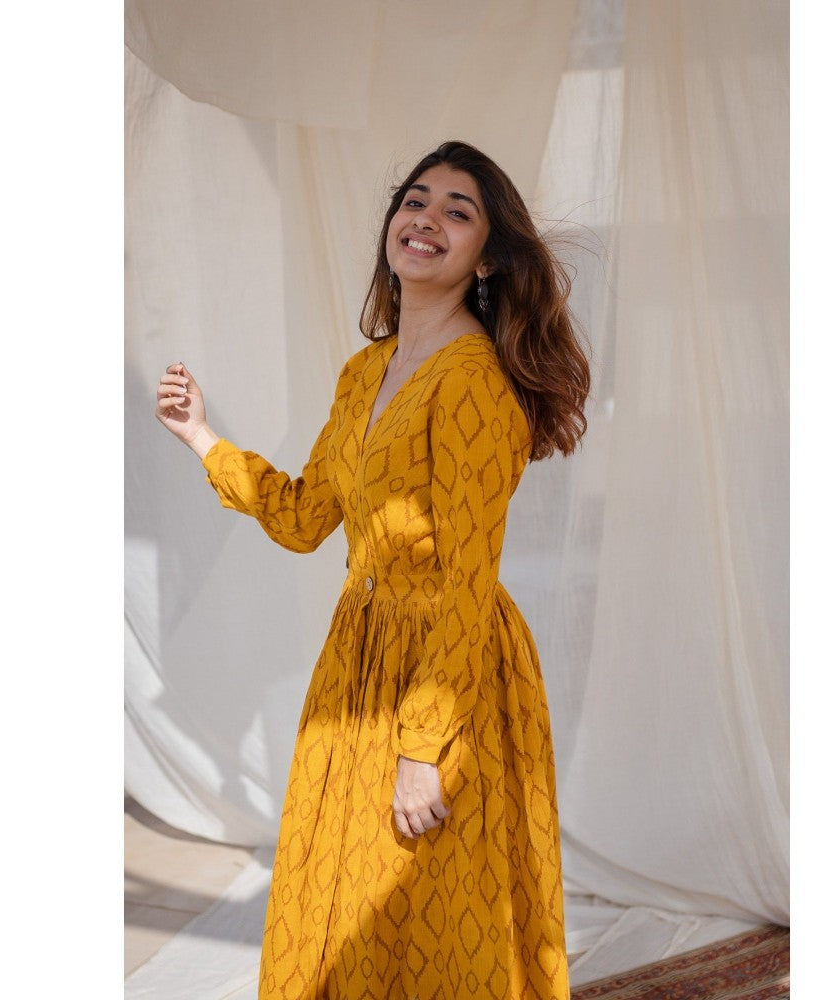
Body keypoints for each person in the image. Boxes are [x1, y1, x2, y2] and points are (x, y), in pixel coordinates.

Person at [155, 140, 590, 1000]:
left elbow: (468, 579)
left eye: (458, 211)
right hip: (360, 659)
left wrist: (425, 750)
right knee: (339, 896)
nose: (426, 220)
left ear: (487, 257)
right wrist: (202, 438)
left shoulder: (473, 382)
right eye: (415, 201)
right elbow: (305, 518)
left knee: (429, 911)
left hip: (447, 667)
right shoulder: (365, 372)